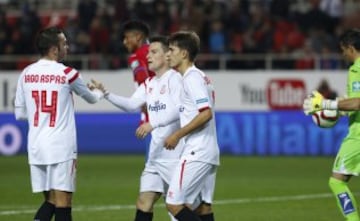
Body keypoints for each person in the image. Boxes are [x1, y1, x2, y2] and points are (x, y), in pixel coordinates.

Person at [14, 27, 103, 221]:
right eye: (64, 43)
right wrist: (100, 92)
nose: (67, 47)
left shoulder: (26, 74)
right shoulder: (68, 74)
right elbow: (92, 99)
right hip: (61, 146)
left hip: (37, 146)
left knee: (51, 201)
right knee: (63, 202)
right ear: (54, 49)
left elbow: (20, 114)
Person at [89, 36, 183, 221]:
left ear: (166, 56)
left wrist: (153, 123)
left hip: (176, 155)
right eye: (148, 52)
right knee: (144, 202)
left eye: (154, 52)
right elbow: (132, 104)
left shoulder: (176, 79)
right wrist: (106, 94)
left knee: (178, 209)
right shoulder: (148, 84)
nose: (148, 56)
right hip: (156, 156)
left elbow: (180, 109)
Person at [303, 28, 360, 220]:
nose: (343, 53)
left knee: (337, 181)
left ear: (351, 47)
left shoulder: (356, 68)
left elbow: (358, 102)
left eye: (343, 49)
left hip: (358, 137)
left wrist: (325, 104)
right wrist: (339, 109)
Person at [164, 31, 220, 221]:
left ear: (184, 53)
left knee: (174, 203)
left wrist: (177, 135)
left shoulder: (192, 78)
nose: (167, 54)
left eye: (171, 50)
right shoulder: (199, 76)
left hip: (198, 151)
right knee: (203, 207)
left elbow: (205, 113)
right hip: (208, 150)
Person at [122, 20, 155, 125]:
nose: (124, 42)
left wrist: (145, 115)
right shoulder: (158, 52)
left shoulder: (136, 56)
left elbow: (143, 83)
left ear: (138, 37)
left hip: (154, 112)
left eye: (127, 37)